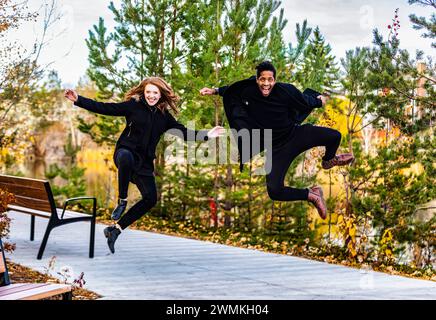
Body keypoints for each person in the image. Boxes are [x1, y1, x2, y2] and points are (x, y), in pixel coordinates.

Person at [65, 77, 225, 253]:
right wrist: (79, 100)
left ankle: (115, 230)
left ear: (161, 94)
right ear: (143, 92)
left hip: (144, 163)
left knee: (151, 199)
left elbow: (184, 133)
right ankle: (122, 200)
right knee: (126, 157)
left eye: (155, 93)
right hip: (125, 154)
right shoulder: (133, 106)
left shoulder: (165, 117)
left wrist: (207, 134)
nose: (151, 96)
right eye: (148, 92)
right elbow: (106, 108)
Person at [200, 61, 354, 220]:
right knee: (275, 191)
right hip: (277, 149)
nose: (266, 84)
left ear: (274, 79)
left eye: (270, 80)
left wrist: (319, 101)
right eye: (262, 79)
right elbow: (233, 89)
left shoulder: (285, 90)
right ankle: (312, 194)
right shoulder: (249, 91)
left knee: (335, 136)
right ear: (257, 79)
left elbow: (305, 100)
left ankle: (328, 161)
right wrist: (214, 91)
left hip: (296, 135)